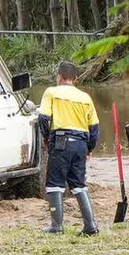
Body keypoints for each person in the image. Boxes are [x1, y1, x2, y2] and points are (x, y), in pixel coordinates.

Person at [37, 60, 100, 235]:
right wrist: (89, 148)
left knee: (54, 184)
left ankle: (56, 225)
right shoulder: (85, 97)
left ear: (59, 77)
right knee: (79, 185)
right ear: (76, 79)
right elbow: (94, 128)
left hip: (60, 141)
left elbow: (43, 118)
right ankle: (90, 226)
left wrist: (47, 138)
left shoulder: (51, 92)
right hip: (81, 143)